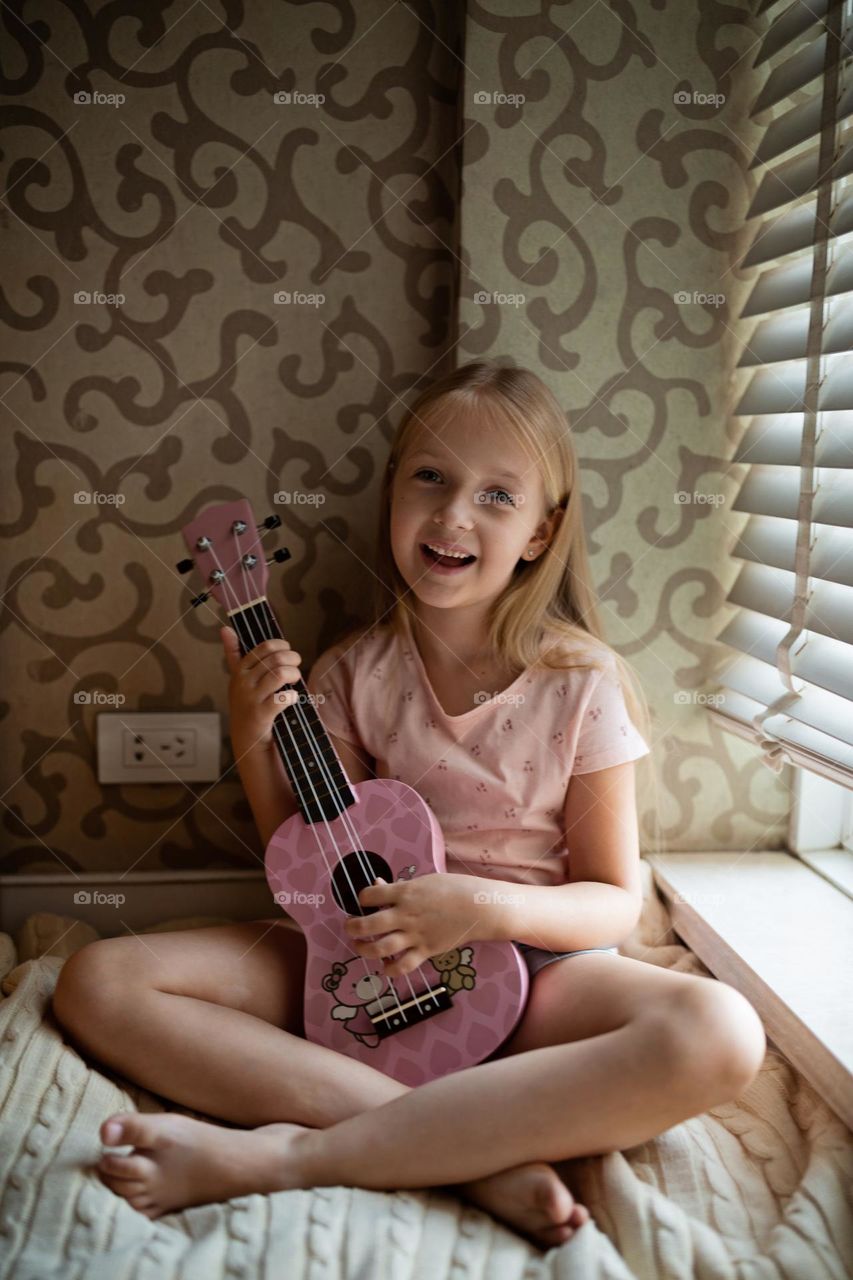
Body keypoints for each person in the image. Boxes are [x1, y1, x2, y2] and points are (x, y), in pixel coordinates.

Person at [52, 359, 766, 1248]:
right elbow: (311, 874)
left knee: (720, 1031)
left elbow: (615, 899)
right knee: (97, 980)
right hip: (361, 962)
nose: (454, 512)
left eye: (497, 496)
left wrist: (476, 908)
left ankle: (290, 1157)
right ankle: (461, 1148)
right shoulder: (356, 675)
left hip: (535, 969)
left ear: (541, 533)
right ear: (393, 493)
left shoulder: (581, 684)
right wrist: (250, 729)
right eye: (430, 477)